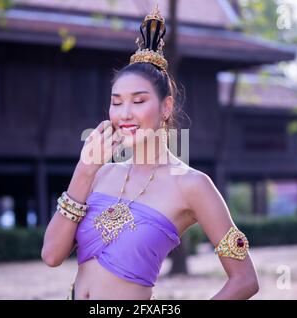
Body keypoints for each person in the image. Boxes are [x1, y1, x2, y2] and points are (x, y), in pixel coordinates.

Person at [41, 5, 259, 300]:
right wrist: (84, 170)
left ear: (165, 108)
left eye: (139, 101)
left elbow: (245, 280)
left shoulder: (192, 185)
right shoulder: (100, 173)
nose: (125, 114)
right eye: (116, 103)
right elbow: (52, 255)